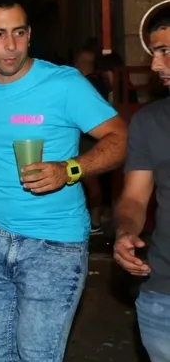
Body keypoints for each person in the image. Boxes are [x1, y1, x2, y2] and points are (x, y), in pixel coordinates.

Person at [0, 0, 127, 362]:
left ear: (29, 34)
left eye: (19, 32)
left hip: (55, 245)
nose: (11, 45)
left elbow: (120, 137)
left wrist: (70, 169)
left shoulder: (64, 84)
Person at [113, 6, 170, 362]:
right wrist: (125, 232)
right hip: (163, 292)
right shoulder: (149, 122)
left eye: (165, 51)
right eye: (153, 51)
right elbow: (135, 197)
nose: (155, 64)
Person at [75, 47, 110, 234]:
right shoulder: (100, 83)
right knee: (92, 181)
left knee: (89, 181)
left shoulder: (84, 84)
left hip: (87, 139)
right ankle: (95, 219)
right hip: (97, 138)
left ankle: (94, 221)